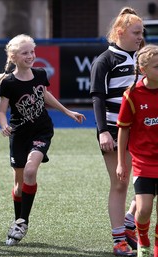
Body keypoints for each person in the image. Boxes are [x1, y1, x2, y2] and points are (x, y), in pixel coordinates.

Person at [0, 34, 86, 246]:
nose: (30, 56)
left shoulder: (40, 74)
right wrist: (4, 125)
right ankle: (17, 221)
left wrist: (68, 112)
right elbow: (1, 112)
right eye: (25, 53)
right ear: (13, 56)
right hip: (19, 135)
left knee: (31, 171)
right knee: (19, 185)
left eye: (32, 51)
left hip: (42, 131)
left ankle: (23, 222)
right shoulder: (9, 83)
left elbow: (45, 95)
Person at [90, 6, 144, 256]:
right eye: (136, 32)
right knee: (120, 184)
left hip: (144, 130)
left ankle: (130, 220)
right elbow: (98, 99)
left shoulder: (143, 57)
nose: (140, 37)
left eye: (142, 32)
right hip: (114, 130)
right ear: (120, 32)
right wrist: (103, 132)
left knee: (147, 182)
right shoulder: (105, 60)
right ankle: (119, 241)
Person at [116, 44, 158, 257]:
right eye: (157, 66)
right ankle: (142, 238)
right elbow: (123, 129)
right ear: (143, 70)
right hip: (142, 161)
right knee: (143, 210)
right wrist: (121, 162)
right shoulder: (132, 94)